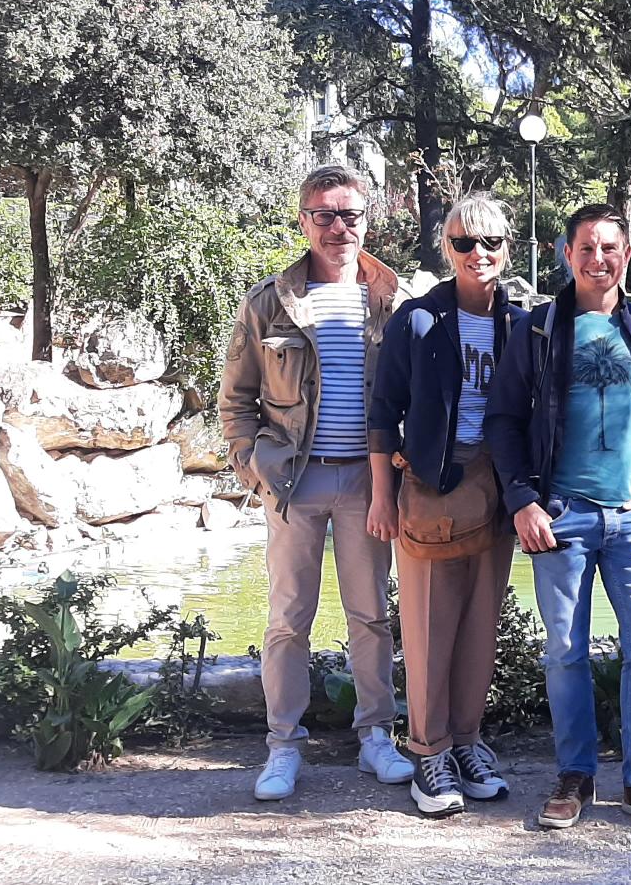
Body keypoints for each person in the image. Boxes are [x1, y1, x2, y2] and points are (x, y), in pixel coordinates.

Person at [484, 203, 631, 832]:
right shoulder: (539, 328)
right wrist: (522, 499)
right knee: (565, 652)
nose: (598, 259)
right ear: (567, 254)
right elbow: (503, 419)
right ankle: (575, 775)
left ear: (626, 255)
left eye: (610, 248)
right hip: (562, 518)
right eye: (586, 248)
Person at [219, 165, 413, 802]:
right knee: (287, 619)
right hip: (293, 482)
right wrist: (254, 468)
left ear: (367, 221)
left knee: (371, 615)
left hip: (368, 482)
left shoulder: (395, 301)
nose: (337, 227)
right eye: (324, 215)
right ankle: (282, 745)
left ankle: (376, 736)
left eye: (349, 215)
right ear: (304, 222)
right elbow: (236, 399)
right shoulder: (268, 302)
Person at [366, 192, 524, 817]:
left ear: (507, 248)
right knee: (429, 623)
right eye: (463, 242)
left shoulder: (521, 323)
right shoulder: (418, 320)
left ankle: (466, 741)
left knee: (481, 622)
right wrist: (383, 495)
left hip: (500, 485)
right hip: (434, 483)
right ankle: (428, 751)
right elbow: (384, 411)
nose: (477, 252)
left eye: (490, 241)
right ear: (447, 249)